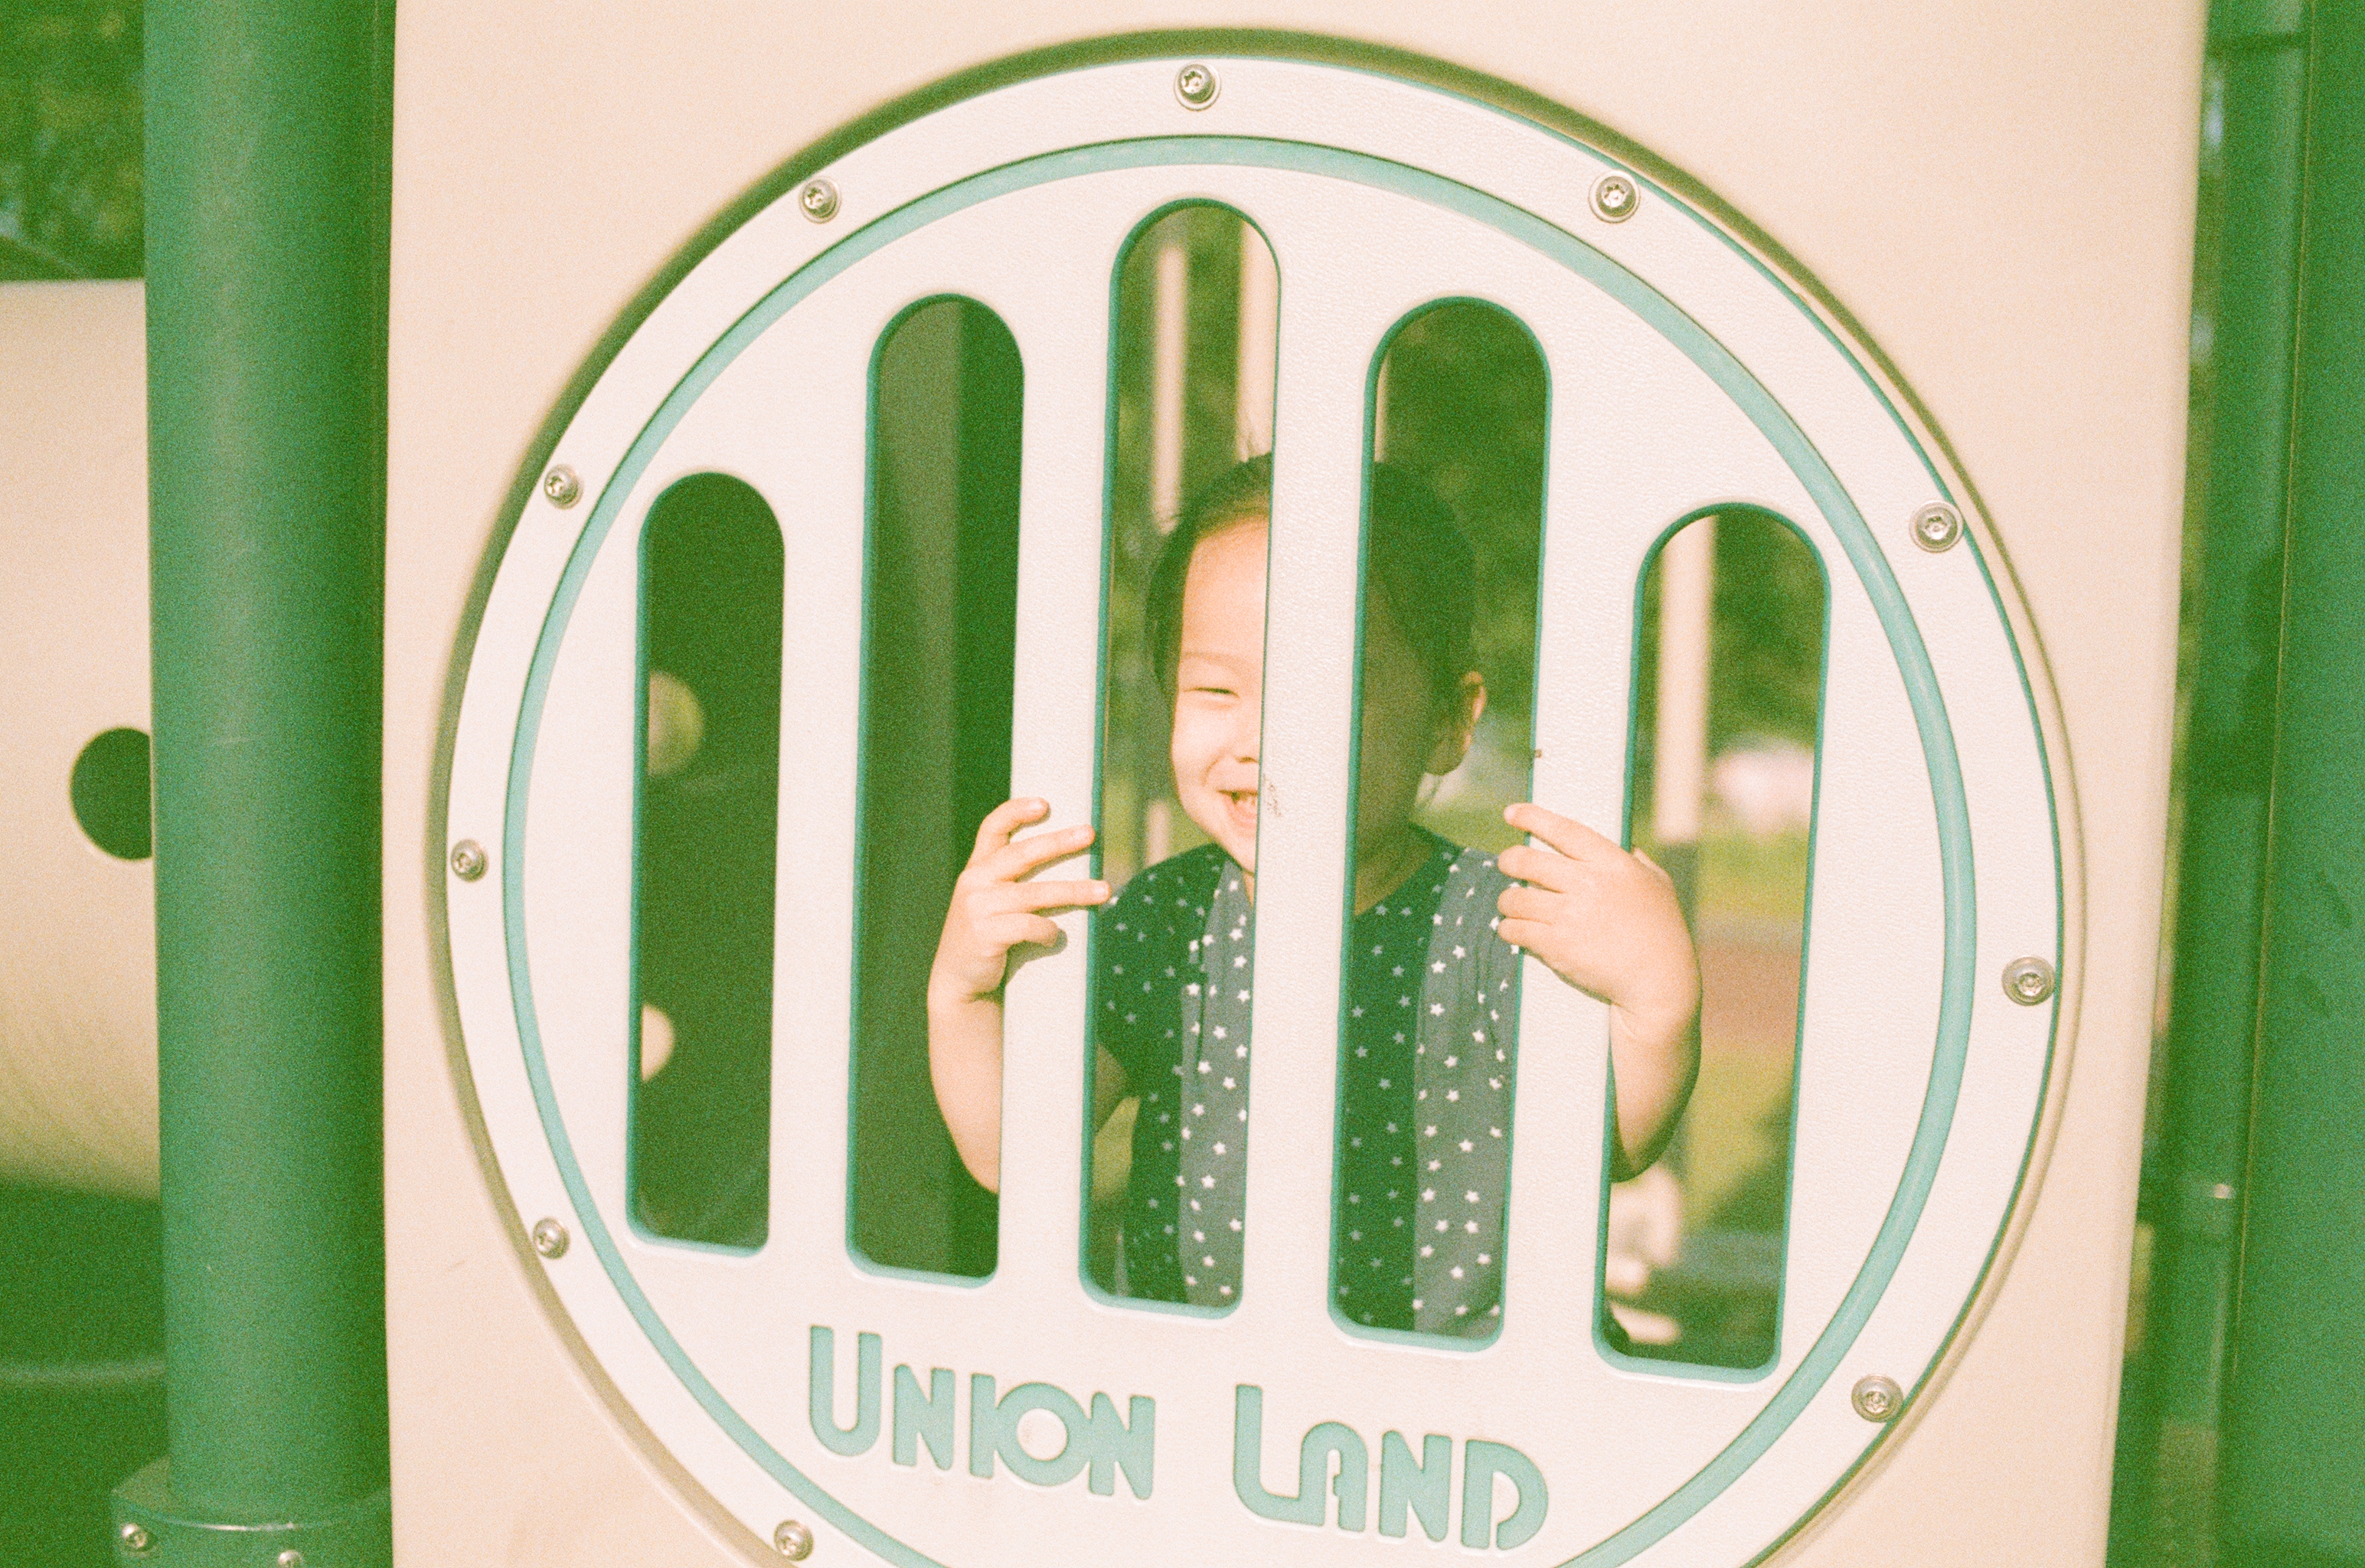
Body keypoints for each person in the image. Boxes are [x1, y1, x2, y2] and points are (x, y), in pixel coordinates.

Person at [928, 456, 1699, 1335]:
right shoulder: (1166, 920)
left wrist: (1657, 996)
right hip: (1204, 1382)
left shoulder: (1495, 921)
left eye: (1322, 689)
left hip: (1452, 1393)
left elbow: (1612, 1138)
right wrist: (960, 995)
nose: (1261, 737)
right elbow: (1014, 1151)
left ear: (1446, 720)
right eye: (1215, 690)